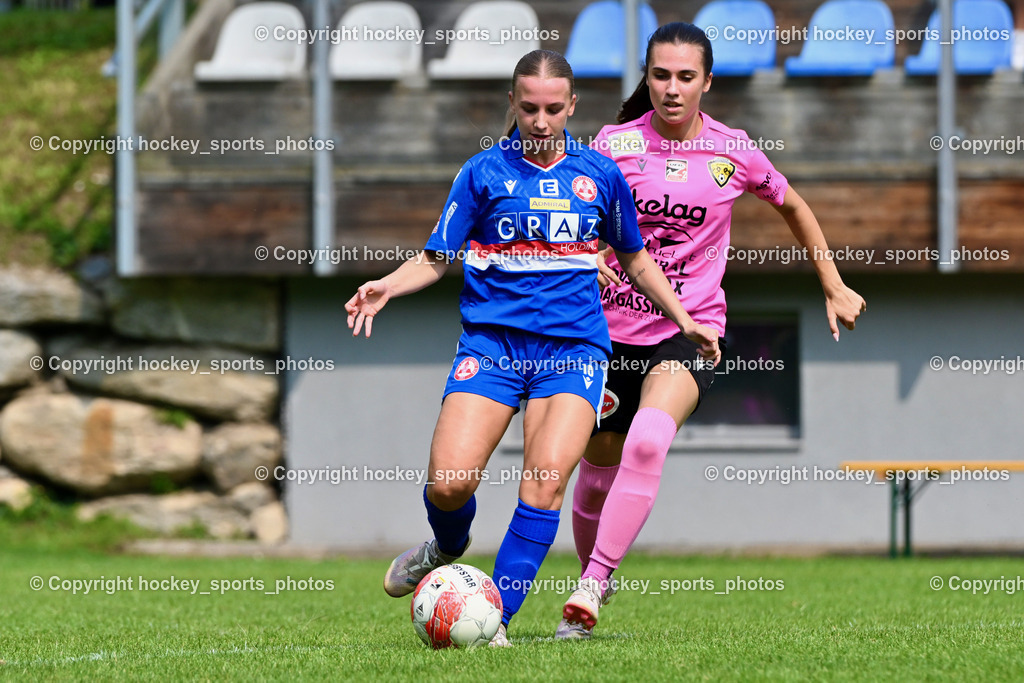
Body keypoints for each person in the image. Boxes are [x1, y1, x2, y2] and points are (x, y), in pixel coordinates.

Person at [345, 49, 720, 647]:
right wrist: (385, 287)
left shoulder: (600, 174)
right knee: (448, 484)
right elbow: (436, 256)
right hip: (492, 347)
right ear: (512, 106)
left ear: (571, 107)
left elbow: (637, 260)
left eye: (552, 109)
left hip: (573, 351)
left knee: (543, 483)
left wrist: (687, 320)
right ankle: (444, 545)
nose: (540, 121)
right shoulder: (481, 173)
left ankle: (495, 623)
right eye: (528, 108)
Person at [556, 23, 867, 639]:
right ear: (647, 77)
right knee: (594, 472)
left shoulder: (734, 151)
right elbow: (574, 211)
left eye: (685, 77)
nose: (672, 89)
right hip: (605, 330)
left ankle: (591, 583)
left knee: (647, 442)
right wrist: (582, 246)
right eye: (661, 75)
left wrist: (831, 282)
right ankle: (596, 570)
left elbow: (795, 206)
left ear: (707, 82)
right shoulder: (615, 143)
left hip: (688, 330)